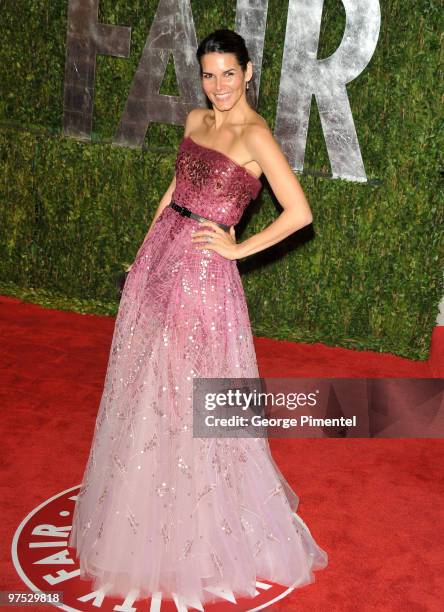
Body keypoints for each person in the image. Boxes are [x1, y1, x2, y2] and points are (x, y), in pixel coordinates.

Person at [69, 28, 328, 608]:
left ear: (250, 70)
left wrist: (236, 248)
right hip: (162, 256)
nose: (219, 87)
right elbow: (175, 190)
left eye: (229, 74)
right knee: (151, 383)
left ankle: (201, 515)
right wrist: (142, 253)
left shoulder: (256, 135)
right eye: (209, 74)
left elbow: (300, 212)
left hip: (203, 275)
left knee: (192, 384)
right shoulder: (194, 119)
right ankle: (156, 496)